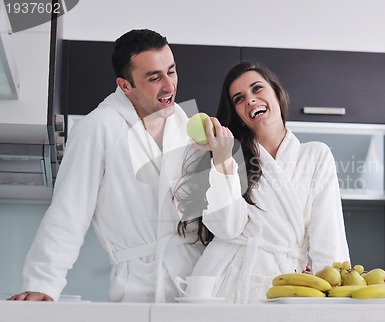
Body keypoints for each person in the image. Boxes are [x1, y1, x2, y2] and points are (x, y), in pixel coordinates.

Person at [7, 29, 205, 303]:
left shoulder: (190, 126)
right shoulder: (99, 127)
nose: (169, 86)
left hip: (200, 287)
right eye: (154, 77)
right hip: (138, 287)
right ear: (125, 86)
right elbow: (69, 210)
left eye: (171, 71)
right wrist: (43, 283)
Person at [176, 61, 350, 303]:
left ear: (277, 94)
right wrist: (222, 160)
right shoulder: (228, 158)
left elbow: (328, 238)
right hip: (224, 282)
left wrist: (336, 297)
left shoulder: (315, 156)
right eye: (239, 98)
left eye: (257, 88)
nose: (250, 99)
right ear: (237, 114)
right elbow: (227, 228)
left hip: (285, 285)